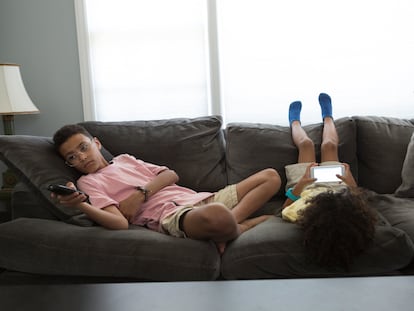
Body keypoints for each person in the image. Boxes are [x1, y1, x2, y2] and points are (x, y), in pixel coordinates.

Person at [52, 124, 281, 253]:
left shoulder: (125, 160)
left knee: (270, 176)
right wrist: (81, 204)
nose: (81, 157)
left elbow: (171, 174)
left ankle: (233, 229)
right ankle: (235, 226)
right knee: (217, 215)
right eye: (72, 157)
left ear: (97, 144)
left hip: (201, 198)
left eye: (83, 147)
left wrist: (140, 194)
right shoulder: (88, 183)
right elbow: (120, 223)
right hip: (172, 215)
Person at [282, 93, 377, 270]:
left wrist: (302, 183)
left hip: (305, 186)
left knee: (306, 144)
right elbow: (361, 202)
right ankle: (327, 117)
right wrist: (350, 183)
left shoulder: (301, 214)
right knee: (329, 146)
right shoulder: (352, 214)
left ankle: (294, 121)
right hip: (337, 187)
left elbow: (286, 206)